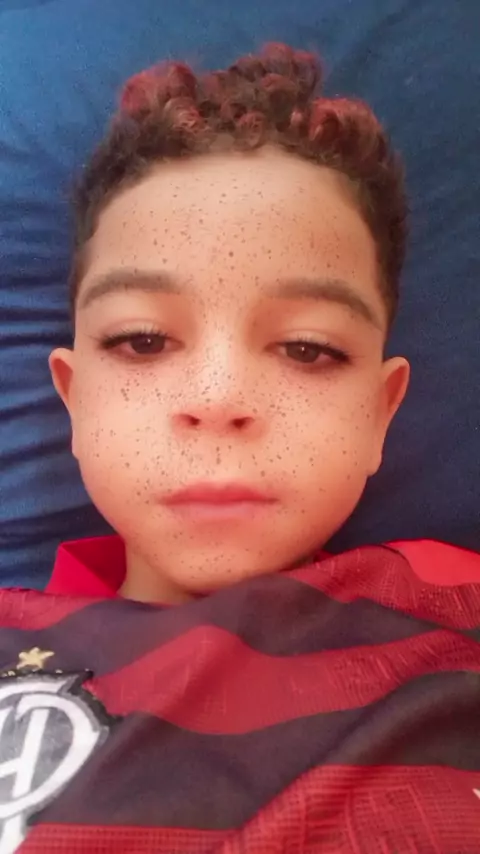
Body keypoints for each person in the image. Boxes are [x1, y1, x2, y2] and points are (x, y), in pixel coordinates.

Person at [0, 43, 478, 853]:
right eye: (143, 339)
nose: (218, 399)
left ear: (380, 413)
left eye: (307, 348)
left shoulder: (453, 604)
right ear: (74, 401)